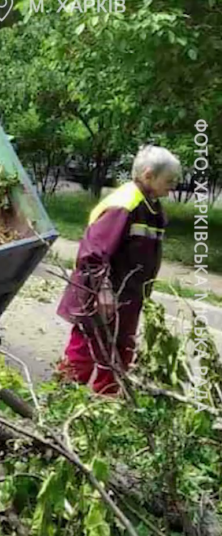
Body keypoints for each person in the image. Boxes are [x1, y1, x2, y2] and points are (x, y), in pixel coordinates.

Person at [56, 145, 181, 395]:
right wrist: (103, 290)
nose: (174, 186)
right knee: (87, 348)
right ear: (148, 175)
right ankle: (60, 398)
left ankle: (108, 404)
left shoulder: (151, 206)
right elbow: (93, 253)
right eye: (169, 180)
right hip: (102, 294)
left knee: (120, 351)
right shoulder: (124, 205)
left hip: (127, 296)